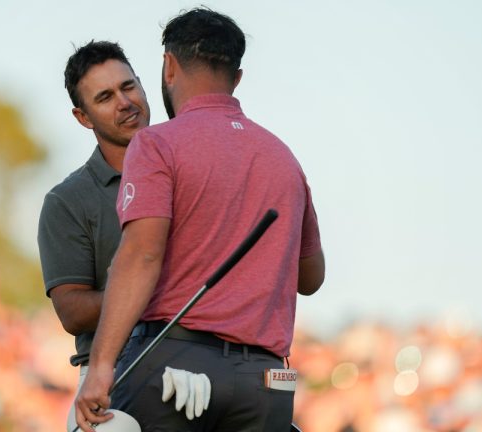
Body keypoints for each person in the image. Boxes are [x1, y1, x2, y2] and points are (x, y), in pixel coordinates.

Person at [76, 8, 325, 432]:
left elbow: (142, 255)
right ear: (237, 77)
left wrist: (100, 366)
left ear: (168, 66)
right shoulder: (284, 158)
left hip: (176, 365)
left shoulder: (156, 144)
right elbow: (311, 277)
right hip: (265, 383)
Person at [36, 40, 150, 432]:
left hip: (196, 366)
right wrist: (151, 283)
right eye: (105, 97)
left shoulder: (192, 169)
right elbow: (72, 310)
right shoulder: (67, 200)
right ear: (83, 117)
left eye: (128, 86)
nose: (124, 102)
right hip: (109, 381)